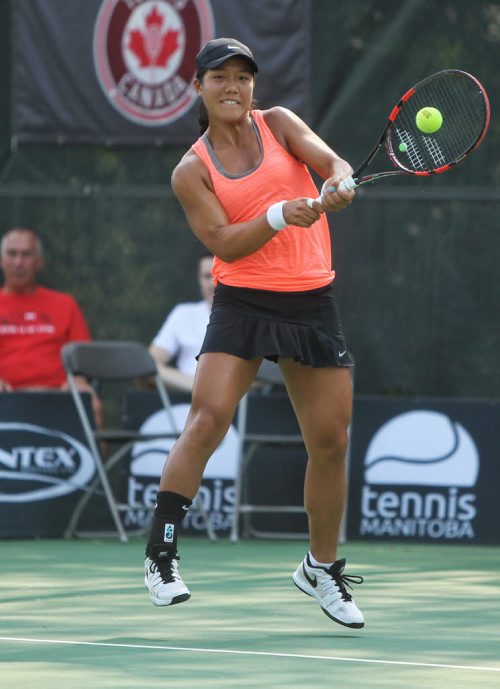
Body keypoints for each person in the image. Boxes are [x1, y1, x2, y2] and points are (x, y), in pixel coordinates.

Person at [144, 38, 364, 629]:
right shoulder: (191, 170)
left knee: (332, 441)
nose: (234, 87)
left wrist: (340, 181)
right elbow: (221, 242)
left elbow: (331, 161)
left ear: (253, 87)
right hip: (242, 300)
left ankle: (320, 567)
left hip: (311, 296)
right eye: (220, 77)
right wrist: (276, 215)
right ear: (199, 88)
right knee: (208, 419)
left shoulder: (280, 124)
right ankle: (160, 556)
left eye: (243, 77)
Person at [0, 227, 103, 427]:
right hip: (6, 394)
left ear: (38, 261)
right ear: (2, 260)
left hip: (60, 394)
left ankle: (96, 460)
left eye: (26, 254)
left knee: (92, 404)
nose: (18, 262)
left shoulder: (64, 304)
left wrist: (78, 381)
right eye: (12, 254)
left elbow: (83, 357)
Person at [149, 251, 214, 392]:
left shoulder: (249, 317)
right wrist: (195, 386)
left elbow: (260, 376)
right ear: (199, 279)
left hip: (238, 405)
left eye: (219, 276)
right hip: (184, 403)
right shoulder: (183, 314)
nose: (213, 283)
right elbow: (151, 363)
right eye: (207, 276)